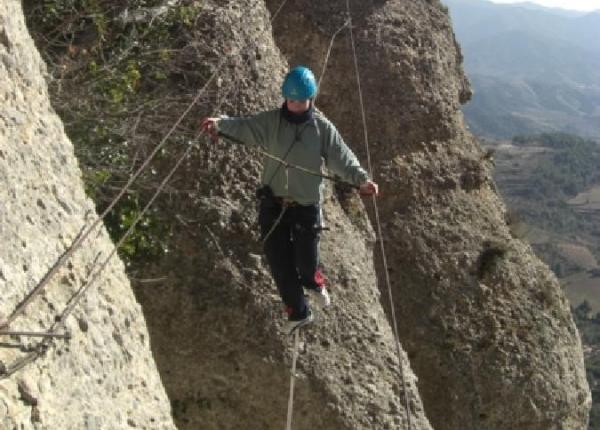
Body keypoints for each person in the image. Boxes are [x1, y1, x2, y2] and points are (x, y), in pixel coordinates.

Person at [201, 66, 378, 335]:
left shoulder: (322, 129)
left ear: (310, 99)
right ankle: (298, 312)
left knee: (306, 263)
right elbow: (245, 127)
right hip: (273, 206)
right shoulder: (270, 122)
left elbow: (342, 158)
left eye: (300, 101)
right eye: (291, 100)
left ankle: (314, 282)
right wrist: (220, 124)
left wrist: (361, 180)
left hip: (306, 208)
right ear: (285, 97)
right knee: (279, 262)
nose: (294, 106)